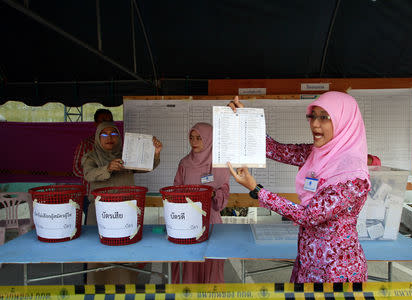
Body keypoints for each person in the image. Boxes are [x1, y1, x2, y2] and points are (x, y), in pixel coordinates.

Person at [228, 92, 370, 283]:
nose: (315, 124)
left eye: (324, 117)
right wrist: (246, 120)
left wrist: (257, 190)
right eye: (313, 116)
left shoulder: (354, 177)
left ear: (345, 121)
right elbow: (275, 149)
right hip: (308, 264)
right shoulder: (316, 153)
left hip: (336, 274)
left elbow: (309, 216)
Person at [82, 121, 163, 284]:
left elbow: (146, 166)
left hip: (126, 211)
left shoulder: (127, 156)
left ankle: (124, 290)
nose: (109, 138)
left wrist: (154, 154)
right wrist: (108, 168)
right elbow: (88, 174)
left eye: (114, 134)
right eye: (104, 134)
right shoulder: (91, 157)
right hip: (100, 213)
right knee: (98, 253)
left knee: (125, 253)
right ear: (98, 138)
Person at [171, 122, 230, 283]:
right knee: (190, 265)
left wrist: (213, 194)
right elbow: (176, 189)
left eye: (199, 138)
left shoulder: (219, 163)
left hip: (211, 222)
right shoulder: (184, 163)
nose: (194, 142)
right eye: (191, 138)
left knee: (211, 263)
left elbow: (224, 193)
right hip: (187, 223)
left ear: (209, 139)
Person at [73, 109, 113, 218]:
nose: (106, 124)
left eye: (110, 121)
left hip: (112, 194)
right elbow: (76, 169)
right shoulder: (86, 145)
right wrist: (99, 172)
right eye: (103, 120)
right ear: (96, 124)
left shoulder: (116, 146)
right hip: (90, 194)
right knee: (93, 226)